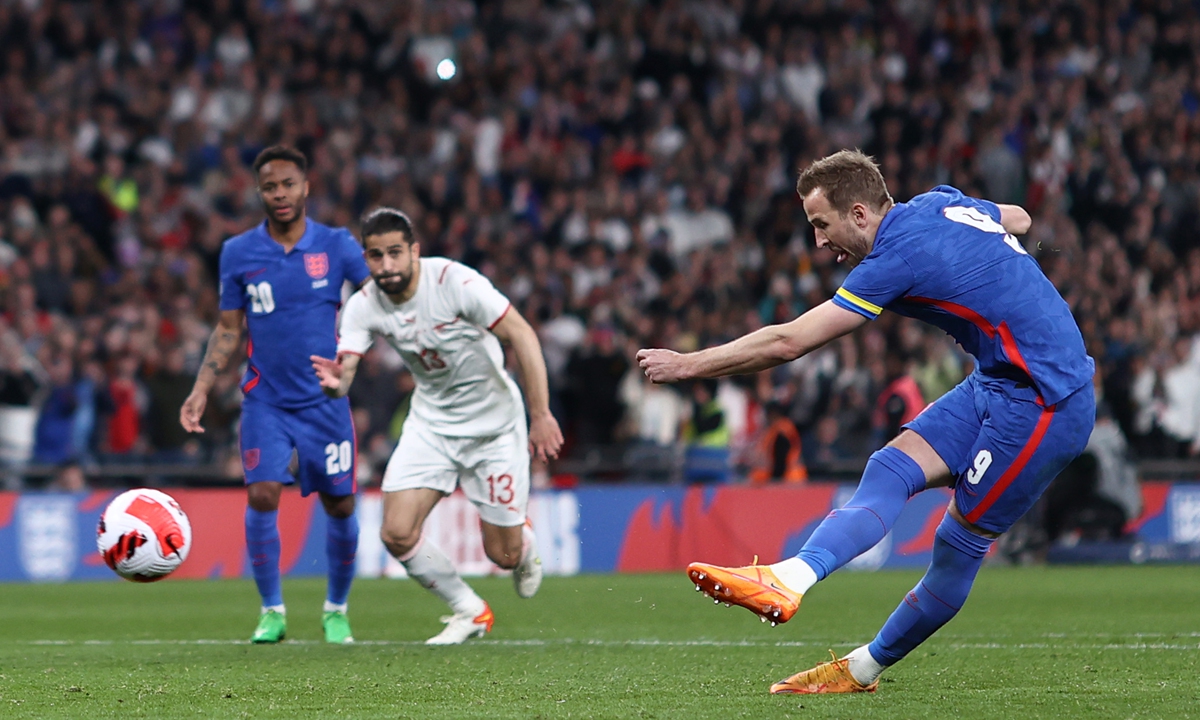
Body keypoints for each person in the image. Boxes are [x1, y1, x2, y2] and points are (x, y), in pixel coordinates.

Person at [637, 150, 1095, 694]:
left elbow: (789, 342)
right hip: (997, 379)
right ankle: (788, 578)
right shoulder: (941, 202)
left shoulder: (893, 259)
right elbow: (1017, 217)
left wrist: (689, 364)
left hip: (1048, 401)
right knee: (890, 467)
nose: (819, 242)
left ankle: (861, 669)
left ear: (859, 214)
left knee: (956, 542)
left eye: (821, 225)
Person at [311, 207, 563, 645]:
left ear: (414, 251)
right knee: (395, 532)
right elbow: (344, 372)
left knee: (502, 556)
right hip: (431, 425)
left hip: (494, 429)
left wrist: (540, 415)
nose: (385, 265)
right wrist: (335, 387)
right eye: (375, 256)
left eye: (394, 253)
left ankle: (523, 542)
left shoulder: (454, 283)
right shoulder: (363, 305)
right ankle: (470, 610)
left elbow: (522, 334)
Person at [179, 146, 370, 645]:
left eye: (288, 184)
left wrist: (352, 358)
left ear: (306, 187)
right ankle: (272, 612)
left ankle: (336, 609)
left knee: (341, 506)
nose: (280, 194)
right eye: (270, 186)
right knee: (263, 492)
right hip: (265, 398)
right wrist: (201, 387)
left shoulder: (337, 245)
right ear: (258, 192)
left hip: (325, 401)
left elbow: (377, 303)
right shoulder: (238, 253)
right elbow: (227, 327)